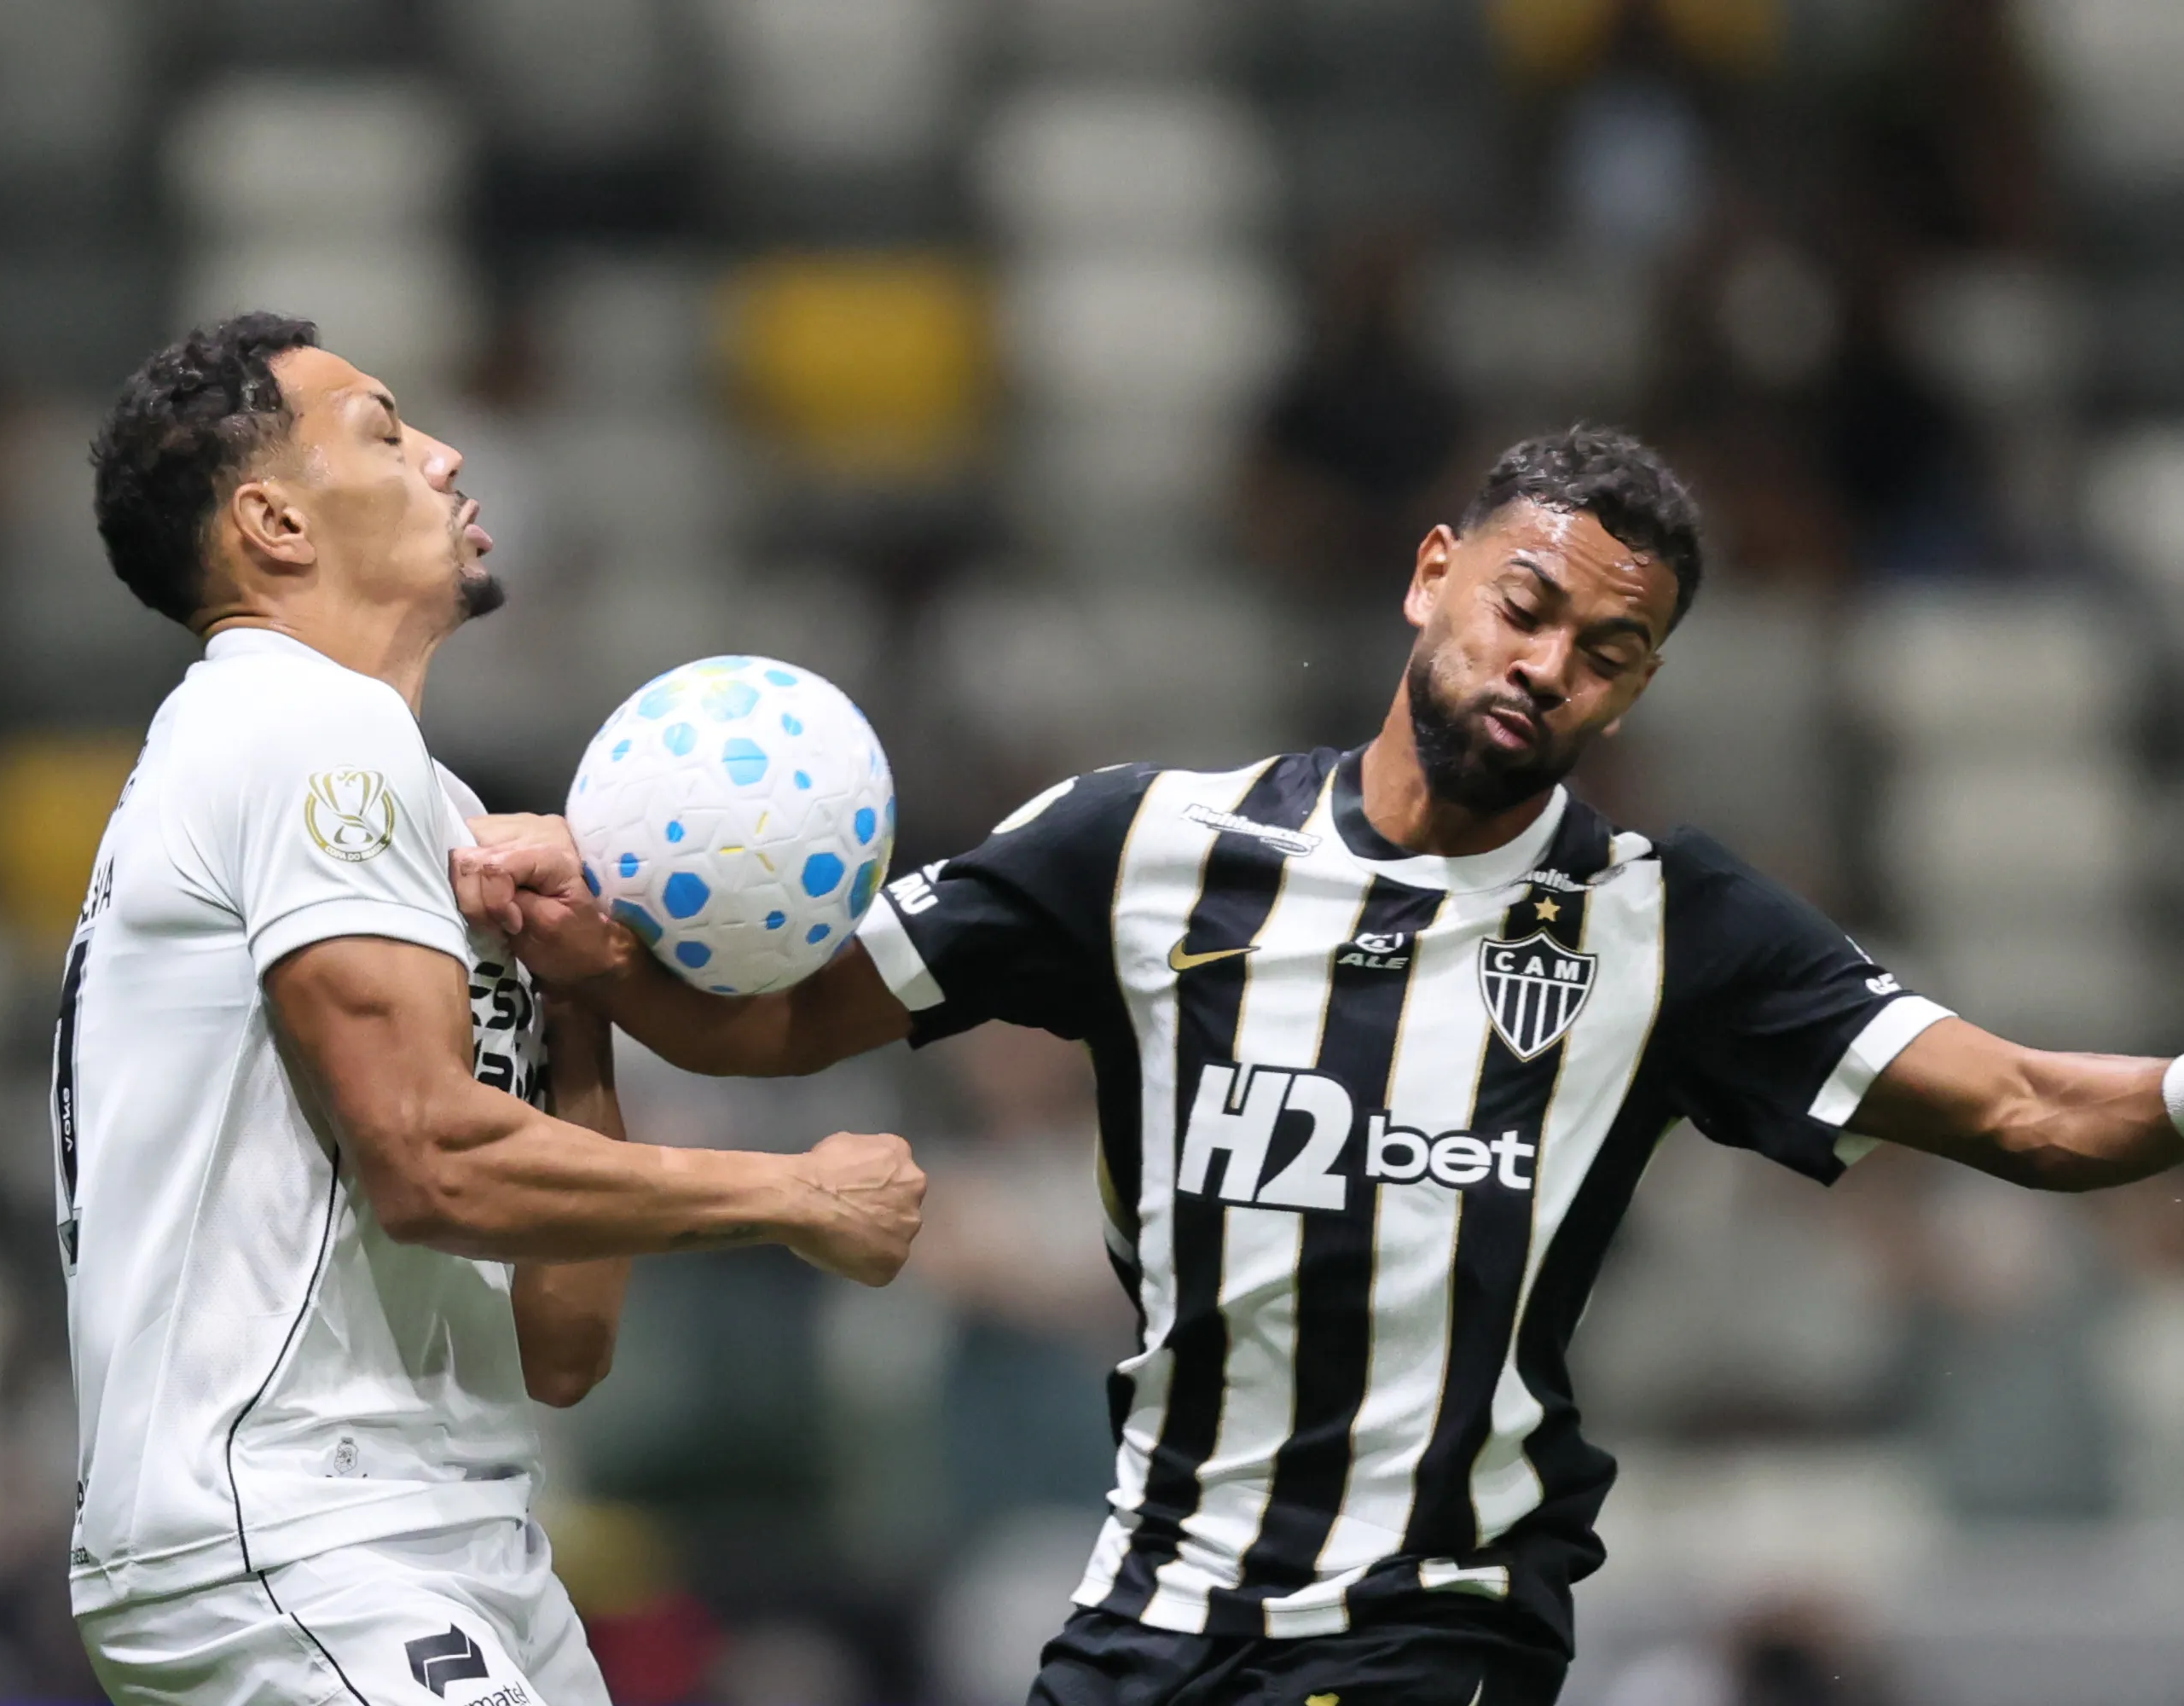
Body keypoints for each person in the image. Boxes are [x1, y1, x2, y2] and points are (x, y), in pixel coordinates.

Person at [458, 425, 2184, 1706]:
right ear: (1433, 572)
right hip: (1143, 1622)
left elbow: (2040, 1110)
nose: (1546, 669)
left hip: (1436, 1627)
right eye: (1527, 607)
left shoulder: (1669, 925)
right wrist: (585, 965)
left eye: (1608, 656)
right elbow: (771, 1023)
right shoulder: (1141, 845)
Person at [56, 312, 924, 1706]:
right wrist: (792, 1194)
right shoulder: (290, 727)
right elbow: (426, 1158)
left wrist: (576, 1006)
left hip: (457, 1538)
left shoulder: (428, 807)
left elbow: (560, 1348)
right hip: (294, 1534)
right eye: (387, 435)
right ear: (276, 520)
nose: (449, 458)